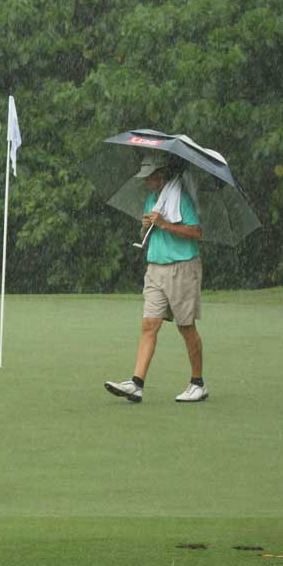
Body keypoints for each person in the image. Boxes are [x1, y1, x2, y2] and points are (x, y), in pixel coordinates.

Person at [105, 154, 207, 403]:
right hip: (156, 268)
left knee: (186, 327)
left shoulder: (181, 197)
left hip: (182, 267)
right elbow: (150, 232)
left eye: (148, 178)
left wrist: (164, 224)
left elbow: (196, 232)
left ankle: (197, 383)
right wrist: (145, 226)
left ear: (159, 176)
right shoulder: (152, 198)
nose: (145, 183)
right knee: (149, 325)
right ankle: (136, 384)